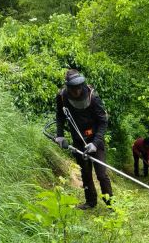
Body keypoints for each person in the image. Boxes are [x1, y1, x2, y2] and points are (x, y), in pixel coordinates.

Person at [55, 69, 113, 210]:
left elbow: (103, 122)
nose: (77, 91)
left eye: (79, 88)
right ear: (68, 87)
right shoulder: (62, 97)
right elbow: (60, 117)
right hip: (78, 140)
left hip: (95, 140)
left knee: (101, 174)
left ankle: (112, 204)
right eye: (73, 89)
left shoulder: (93, 97)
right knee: (85, 173)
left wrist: (95, 143)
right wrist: (60, 135)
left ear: (82, 85)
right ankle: (90, 202)